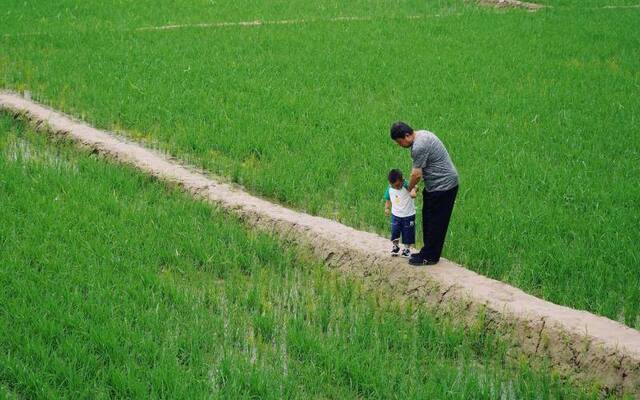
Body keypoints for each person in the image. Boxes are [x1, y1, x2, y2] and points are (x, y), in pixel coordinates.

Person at [390, 121, 459, 266]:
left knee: (436, 222)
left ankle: (431, 257)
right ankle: (426, 251)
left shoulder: (419, 146)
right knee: (428, 218)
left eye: (399, 142)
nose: (399, 145)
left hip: (443, 187)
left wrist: (408, 189)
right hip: (434, 186)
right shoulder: (422, 135)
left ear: (407, 136)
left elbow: (416, 174)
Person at [384, 169, 417, 257]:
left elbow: (414, 187)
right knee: (395, 231)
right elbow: (388, 198)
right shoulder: (390, 188)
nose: (396, 187)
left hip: (408, 215)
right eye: (393, 185)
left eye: (398, 185)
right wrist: (387, 208)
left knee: (408, 232)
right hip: (396, 215)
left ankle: (406, 249)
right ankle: (395, 246)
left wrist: (413, 191)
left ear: (402, 180)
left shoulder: (406, 185)